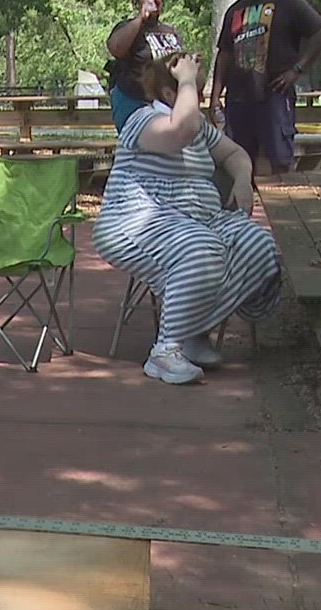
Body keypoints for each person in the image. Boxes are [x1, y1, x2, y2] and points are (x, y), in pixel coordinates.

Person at [92, 53, 283, 385]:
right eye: (194, 89)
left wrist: (241, 179)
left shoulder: (200, 129)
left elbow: (234, 153)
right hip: (137, 222)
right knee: (201, 249)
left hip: (198, 219)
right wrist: (184, 80)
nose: (200, 95)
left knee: (258, 243)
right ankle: (166, 352)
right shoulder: (142, 120)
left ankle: (193, 330)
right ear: (170, 94)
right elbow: (180, 131)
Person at [207, 0, 321, 174]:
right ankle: (241, 208)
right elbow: (225, 53)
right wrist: (216, 95)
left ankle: (286, 208)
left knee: (280, 161)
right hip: (238, 99)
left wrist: (297, 69)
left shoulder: (288, 2)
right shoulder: (234, 11)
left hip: (274, 96)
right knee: (236, 162)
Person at [105, 0, 186, 131]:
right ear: (138, 2)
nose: (151, 0)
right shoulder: (128, 27)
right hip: (133, 98)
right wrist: (141, 19)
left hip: (164, 102)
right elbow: (116, 49)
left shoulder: (170, 32)